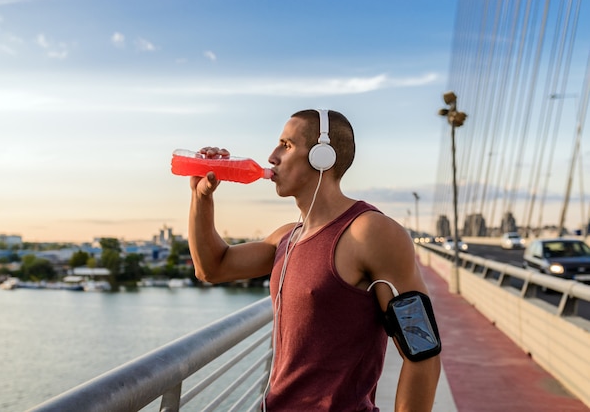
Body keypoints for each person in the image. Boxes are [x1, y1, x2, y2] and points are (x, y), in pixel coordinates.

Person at [187, 109, 441, 411]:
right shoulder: (287, 238)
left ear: (323, 156)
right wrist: (201, 196)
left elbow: (423, 352)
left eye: (286, 144)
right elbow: (212, 268)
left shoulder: (371, 232)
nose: (271, 156)